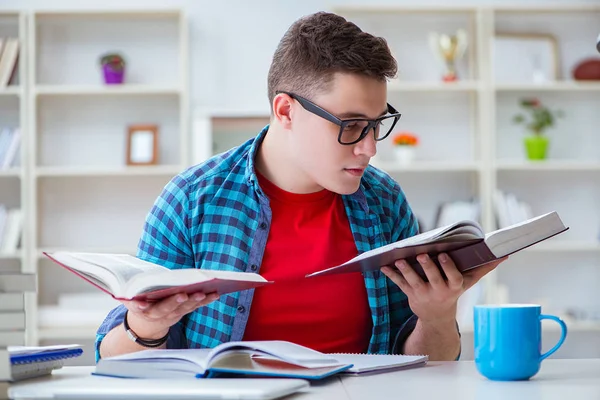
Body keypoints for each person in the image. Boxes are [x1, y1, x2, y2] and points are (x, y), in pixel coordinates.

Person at [96, 11, 505, 362]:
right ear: (286, 110)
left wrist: (436, 314)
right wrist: (145, 326)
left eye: (377, 125)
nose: (369, 148)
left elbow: (424, 367)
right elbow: (112, 357)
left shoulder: (384, 201)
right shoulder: (191, 200)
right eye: (351, 126)